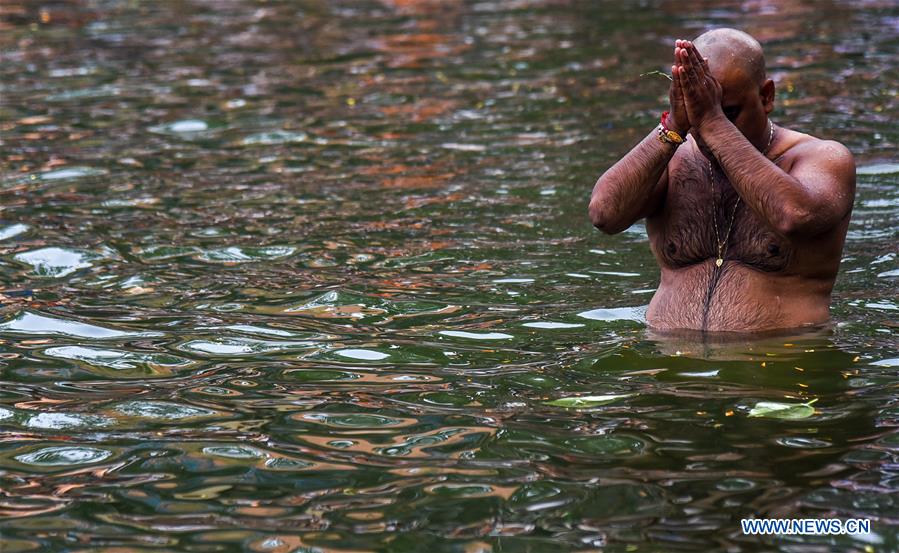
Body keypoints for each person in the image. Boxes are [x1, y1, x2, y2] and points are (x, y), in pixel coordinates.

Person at [588, 28, 856, 333]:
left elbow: (794, 216)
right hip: (671, 366)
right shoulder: (674, 156)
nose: (703, 128)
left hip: (780, 361)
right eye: (695, 111)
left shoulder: (822, 157)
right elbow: (604, 214)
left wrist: (714, 122)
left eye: (729, 112)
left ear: (766, 96)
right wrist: (674, 124)